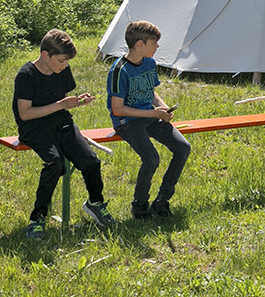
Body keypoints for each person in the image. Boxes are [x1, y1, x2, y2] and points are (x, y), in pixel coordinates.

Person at [13, 28, 115, 238]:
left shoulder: (61, 70)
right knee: (55, 164)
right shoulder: (26, 75)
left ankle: (95, 204)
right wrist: (60, 105)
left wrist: (74, 103)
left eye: (67, 61)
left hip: (61, 123)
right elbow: (24, 114)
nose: (65, 65)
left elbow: (61, 102)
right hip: (33, 128)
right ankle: (37, 220)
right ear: (45, 55)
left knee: (91, 162)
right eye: (61, 61)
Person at [106, 20, 191, 220]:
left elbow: (150, 91)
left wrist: (161, 106)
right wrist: (154, 113)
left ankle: (162, 201)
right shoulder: (120, 70)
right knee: (152, 159)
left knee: (183, 148)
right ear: (139, 45)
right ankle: (140, 205)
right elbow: (118, 109)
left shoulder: (149, 63)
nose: (158, 47)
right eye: (154, 42)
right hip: (127, 123)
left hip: (150, 117)